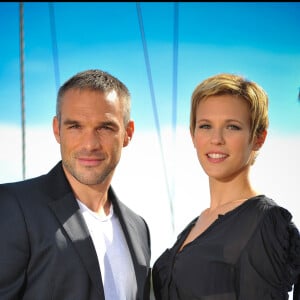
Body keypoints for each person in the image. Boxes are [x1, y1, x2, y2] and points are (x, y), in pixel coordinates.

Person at [0, 69, 151, 300]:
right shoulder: (14, 206)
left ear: (128, 133)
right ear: (57, 129)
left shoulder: (139, 228)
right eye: (75, 126)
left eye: (105, 127)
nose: (89, 144)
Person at [152, 73, 300, 299]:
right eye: (205, 126)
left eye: (232, 127)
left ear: (258, 138)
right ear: (193, 135)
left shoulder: (264, 222)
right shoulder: (197, 223)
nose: (216, 139)